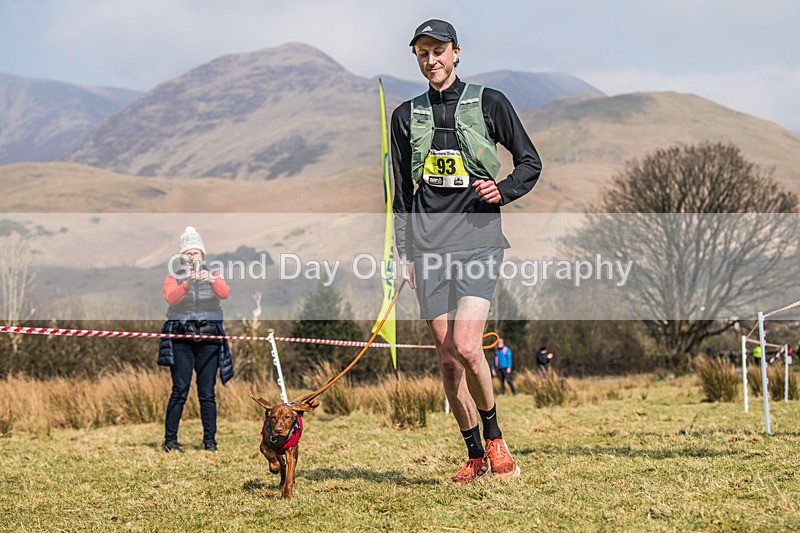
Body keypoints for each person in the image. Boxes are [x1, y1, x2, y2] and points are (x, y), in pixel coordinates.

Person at [392, 19, 542, 484]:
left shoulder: (490, 102)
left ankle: (497, 442)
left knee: (466, 345)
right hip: (428, 249)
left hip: (478, 242)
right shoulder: (404, 115)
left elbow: (530, 163)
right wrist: (404, 254)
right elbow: (400, 194)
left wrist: (503, 189)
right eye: (422, 53)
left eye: (438, 51)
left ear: (456, 52)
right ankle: (474, 453)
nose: (430, 60)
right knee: (446, 358)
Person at [158, 226, 233, 453]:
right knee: (179, 390)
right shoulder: (174, 276)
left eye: (196, 253)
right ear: (182, 257)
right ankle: (170, 442)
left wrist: (210, 280)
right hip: (181, 339)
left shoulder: (213, 273)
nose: (192, 257)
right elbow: (170, 299)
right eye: (188, 253)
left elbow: (225, 293)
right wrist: (187, 284)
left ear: (203, 255)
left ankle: (210, 442)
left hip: (209, 339)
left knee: (207, 393)